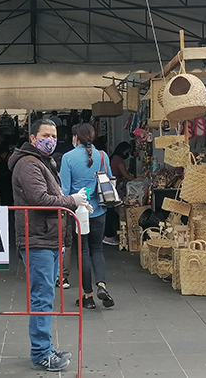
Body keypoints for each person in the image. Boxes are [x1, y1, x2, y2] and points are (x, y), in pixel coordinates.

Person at [8, 118, 90, 372]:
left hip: (47, 238)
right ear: (33, 138)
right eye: (45, 135)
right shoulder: (28, 164)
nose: (51, 140)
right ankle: (41, 353)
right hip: (37, 238)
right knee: (42, 298)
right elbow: (41, 199)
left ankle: (46, 348)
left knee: (46, 296)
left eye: (54, 136)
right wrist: (72, 200)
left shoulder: (44, 162)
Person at [60, 123, 116, 310]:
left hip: (78, 212)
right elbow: (109, 179)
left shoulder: (68, 158)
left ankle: (88, 296)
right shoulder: (102, 155)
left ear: (75, 138)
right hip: (99, 210)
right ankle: (102, 284)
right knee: (97, 249)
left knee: (83, 252)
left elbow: (65, 190)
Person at [103, 142, 135, 245]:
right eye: (127, 151)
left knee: (110, 211)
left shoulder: (113, 157)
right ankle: (108, 235)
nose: (127, 154)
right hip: (113, 188)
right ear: (123, 150)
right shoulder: (118, 159)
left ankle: (108, 234)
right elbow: (125, 174)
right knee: (111, 211)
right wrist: (136, 180)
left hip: (110, 187)